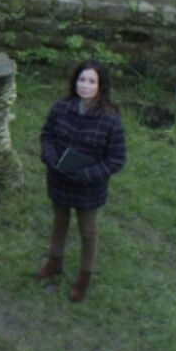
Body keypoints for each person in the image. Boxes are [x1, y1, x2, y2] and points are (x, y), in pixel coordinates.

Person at [35, 59, 126, 302]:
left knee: (88, 231)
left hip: (89, 188)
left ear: (101, 86)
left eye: (91, 81)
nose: (85, 85)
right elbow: (47, 136)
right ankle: (54, 261)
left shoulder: (110, 120)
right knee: (59, 221)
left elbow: (116, 159)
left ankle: (84, 276)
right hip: (59, 179)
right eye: (82, 80)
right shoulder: (60, 107)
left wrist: (86, 175)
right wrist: (51, 158)